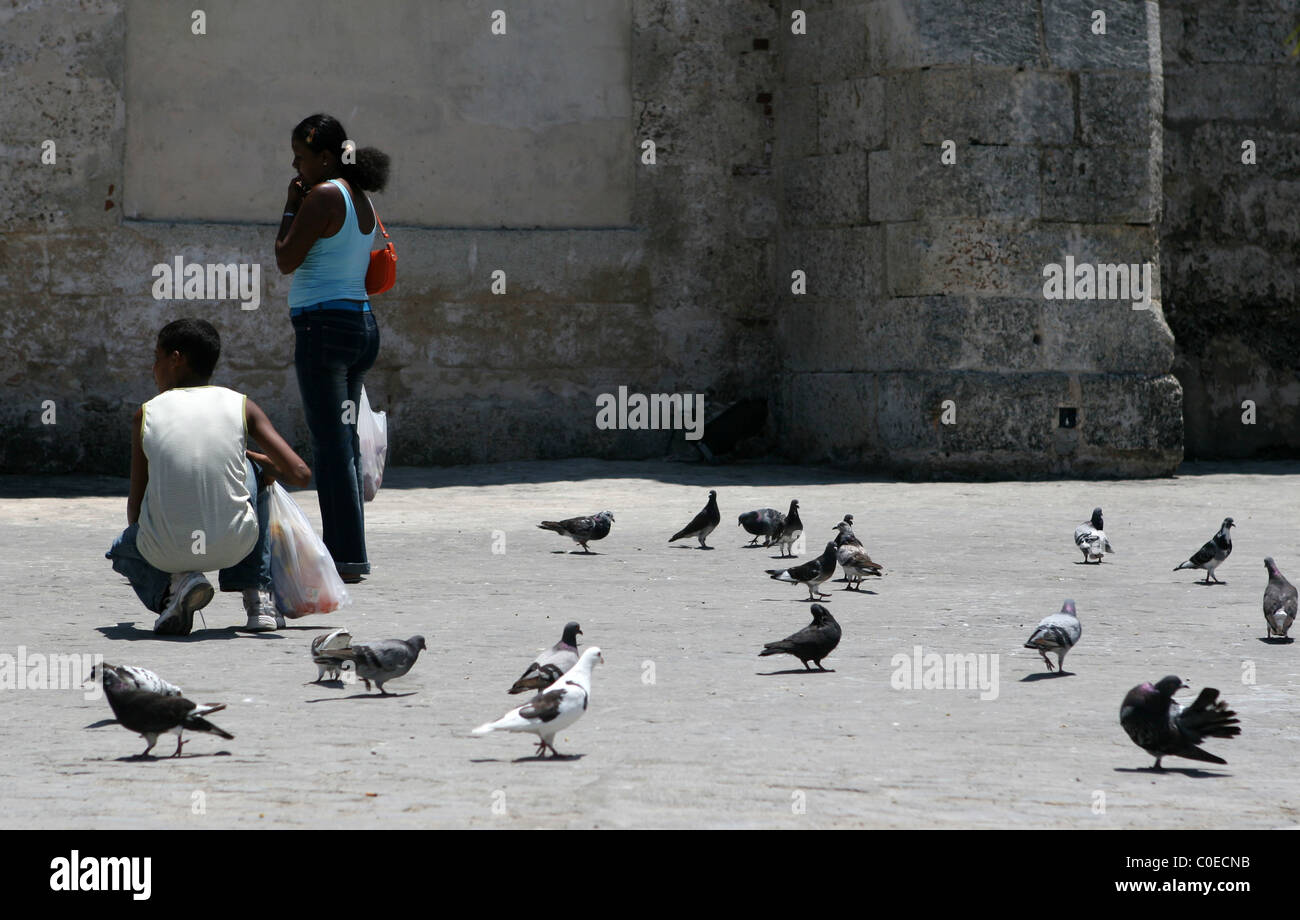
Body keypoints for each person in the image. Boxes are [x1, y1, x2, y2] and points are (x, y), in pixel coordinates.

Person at [106, 319, 312, 635]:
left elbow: (136, 506)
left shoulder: (146, 413)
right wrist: (261, 464)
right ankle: (258, 596)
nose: (153, 368)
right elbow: (300, 474)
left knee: (122, 546)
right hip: (237, 545)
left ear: (176, 359)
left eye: (157, 357)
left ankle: (173, 591)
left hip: (166, 550)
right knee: (256, 470)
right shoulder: (241, 405)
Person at [274, 114, 390, 583]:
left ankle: (345, 556)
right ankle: (350, 551)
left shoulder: (322, 195)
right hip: (359, 327)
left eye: (301, 157)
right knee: (341, 444)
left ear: (324, 157)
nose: (294, 165)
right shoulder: (358, 196)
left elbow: (284, 258)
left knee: (331, 446)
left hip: (324, 330)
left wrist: (288, 206)